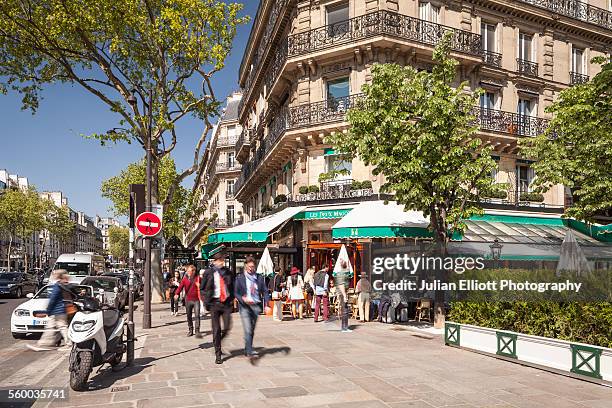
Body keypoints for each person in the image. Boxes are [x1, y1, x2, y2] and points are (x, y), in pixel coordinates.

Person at [235, 256, 270, 363]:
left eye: (253, 267)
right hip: (244, 306)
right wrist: (242, 298)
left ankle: (247, 347)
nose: (251, 269)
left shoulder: (259, 278)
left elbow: (265, 291)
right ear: (245, 266)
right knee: (248, 329)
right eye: (249, 266)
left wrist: (267, 304)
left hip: (255, 306)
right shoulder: (240, 278)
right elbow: (236, 292)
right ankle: (250, 351)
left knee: (252, 330)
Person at [201, 251, 235, 364]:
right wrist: (206, 302)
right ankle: (218, 354)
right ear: (215, 261)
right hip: (214, 304)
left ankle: (219, 340)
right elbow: (202, 288)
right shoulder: (208, 272)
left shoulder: (228, 272)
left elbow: (232, 287)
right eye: (220, 260)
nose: (222, 263)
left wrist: (232, 299)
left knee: (227, 327)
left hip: (225, 304)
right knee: (216, 330)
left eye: (223, 260)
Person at [28, 270, 71, 351]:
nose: (52, 275)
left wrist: (48, 310)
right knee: (50, 327)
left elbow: (53, 300)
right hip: (58, 310)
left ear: (58, 276)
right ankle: (44, 344)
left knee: (62, 327)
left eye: (54, 274)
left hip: (58, 311)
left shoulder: (57, 286)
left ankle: (69, 344)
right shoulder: (60, 285)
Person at [173, 265, 202, 337]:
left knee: (197, 315)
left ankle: (197, 331)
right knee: (189, 316)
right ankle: (190, 330)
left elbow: (204, 287)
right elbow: (180, 287)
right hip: (188, 300)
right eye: (187, 271)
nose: (188, 272)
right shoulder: (185, 279)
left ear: (194, 271)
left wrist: (200, 286)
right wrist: (176, 294)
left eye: (189, 271)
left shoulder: (198, 279)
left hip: (196, 300)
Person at [335, 260, 351, 332]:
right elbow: (341, 285)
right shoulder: (342, 273)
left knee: (345, 310)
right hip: (342, 293)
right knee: (344, 310)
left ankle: (345, 327)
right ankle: (344, 328)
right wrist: (344, 295)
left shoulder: (345, 272)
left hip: (343, 292)